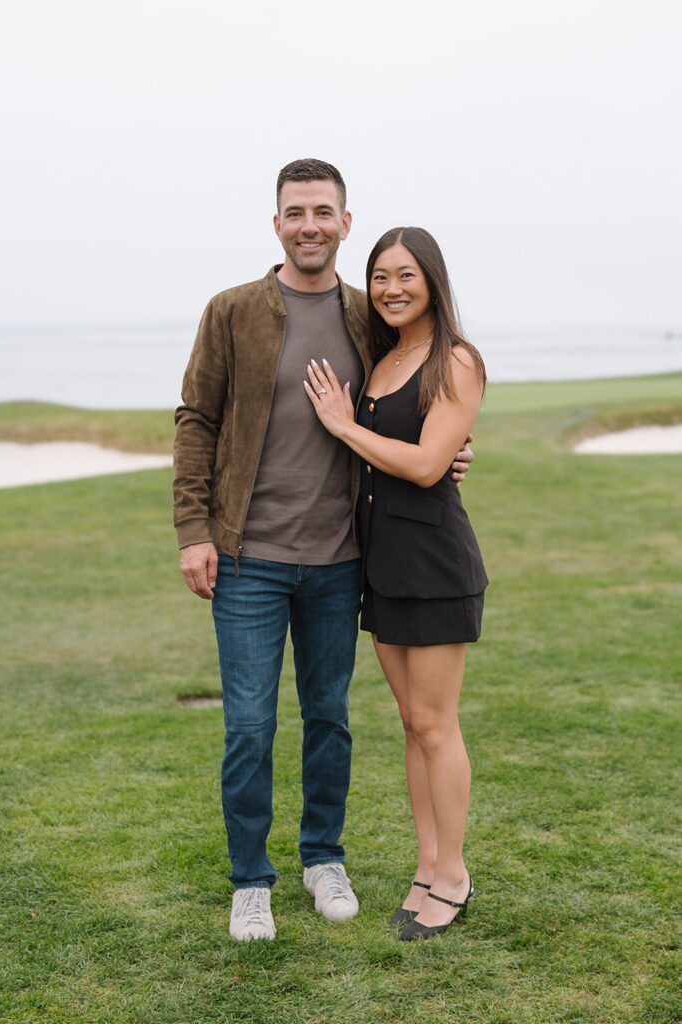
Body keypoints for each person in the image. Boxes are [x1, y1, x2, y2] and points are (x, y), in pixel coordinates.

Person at [173, 161, 474, 942]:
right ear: (276, 222)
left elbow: (413, 405)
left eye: (324, 211)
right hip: (248, 558)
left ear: (344, 221)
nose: (309, 223)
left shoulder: (365, 316)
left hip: (343, 561)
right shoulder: (231, 310)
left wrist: (450, 454)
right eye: (294, 211)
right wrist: (194, 530)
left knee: (329, 719)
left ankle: (322, 858)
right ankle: (250, 881)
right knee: (247, 725)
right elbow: (195, 421)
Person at [304, 226, 487, 941]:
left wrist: (342, 426)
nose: (390, 289)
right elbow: (418, 451)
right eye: (379, 276)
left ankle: (454, 875)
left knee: (437, 725)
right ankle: (425, 865)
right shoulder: (381, 359)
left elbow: (421, 465)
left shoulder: (456, 359)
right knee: (411, 725)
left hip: (434, 565)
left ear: (432, 280)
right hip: (380, 563)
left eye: (405, 275)